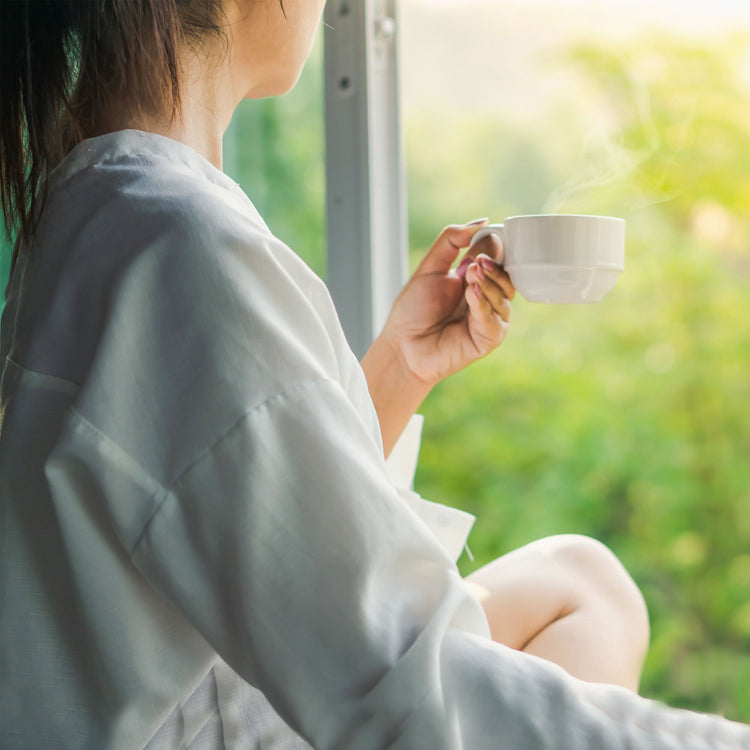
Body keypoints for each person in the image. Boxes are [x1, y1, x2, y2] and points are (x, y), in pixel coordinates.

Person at [0, 1, 748, 748]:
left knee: (583, 581)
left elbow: (230, 507)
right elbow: (405, 696)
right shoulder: (179, 254)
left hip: (205, 697)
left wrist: (398, 366)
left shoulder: (102, 212)